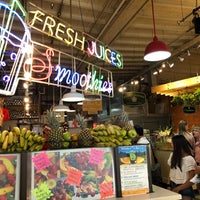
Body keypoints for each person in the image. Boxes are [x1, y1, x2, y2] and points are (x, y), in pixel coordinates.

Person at [167, 135, 196, 200]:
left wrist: (178, 188)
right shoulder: (173, 155)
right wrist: (168, 184)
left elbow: (192, 180)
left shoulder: (189, 159)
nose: (171, 145)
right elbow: (171, 170)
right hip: (173, 184)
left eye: (172, 143)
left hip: (184, 188)